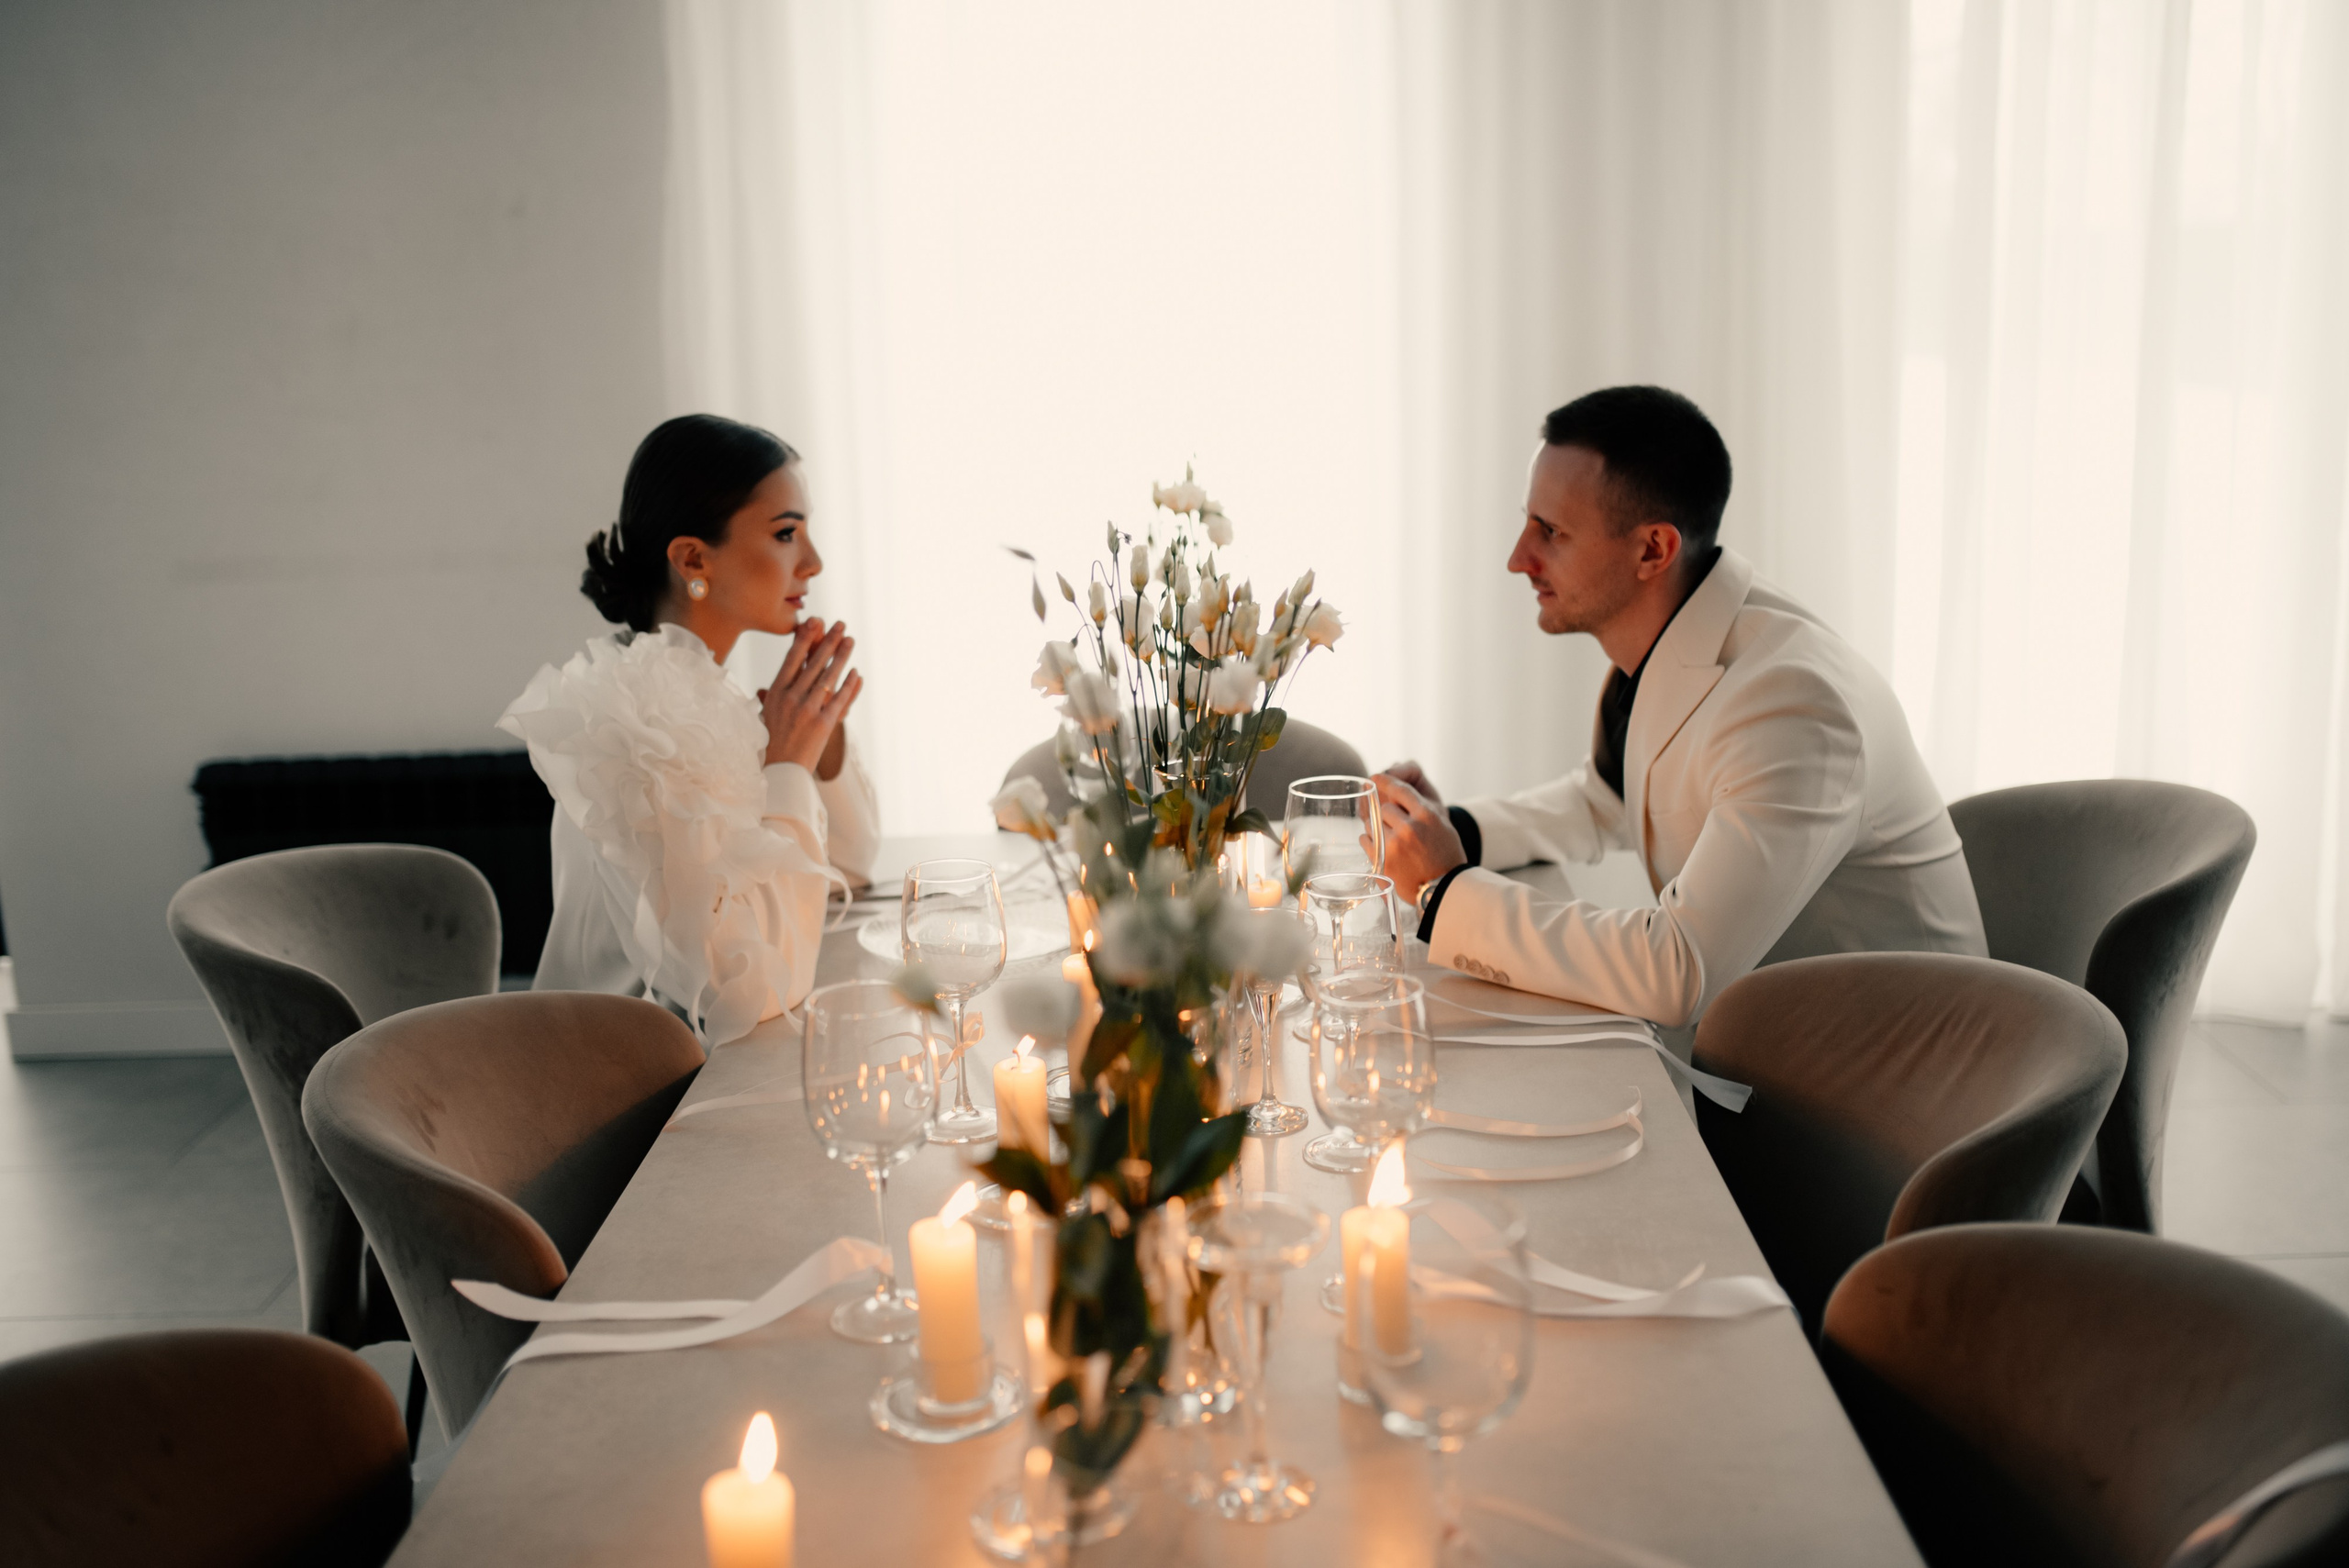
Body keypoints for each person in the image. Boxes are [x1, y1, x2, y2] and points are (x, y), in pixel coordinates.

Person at [1375, 385, 1985, 1028]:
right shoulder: (1672, 642)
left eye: (1549, 531)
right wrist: (1447, 831)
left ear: (1652, 550)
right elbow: (1605, 799)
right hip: (1786, 1037)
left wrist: (1443, 889)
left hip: (1894, 1079)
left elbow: (1677, 971)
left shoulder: (1796, 705)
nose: (1517, 559)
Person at [499, 414, 878, 1046]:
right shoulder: (639, 718)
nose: (811, 563)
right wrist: (784, 766)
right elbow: (746, 990)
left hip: (683, 1064)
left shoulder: (706, 696)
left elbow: (851, 864)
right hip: (602, 1097)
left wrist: (816, 737)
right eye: (786, 534)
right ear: (693, 558)